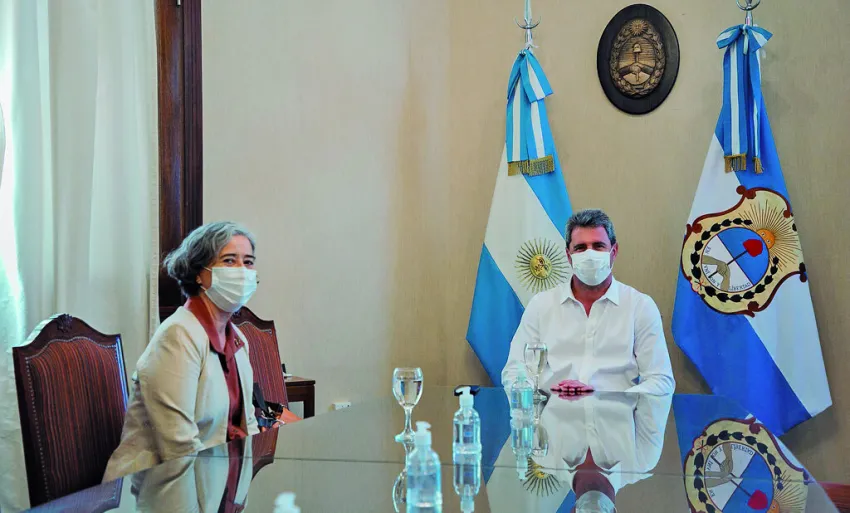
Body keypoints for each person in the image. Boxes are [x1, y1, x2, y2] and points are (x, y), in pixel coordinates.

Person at [104, 221, 261, 481]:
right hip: (159, 485)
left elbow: (248, 426)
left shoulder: (238, 340)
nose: (242, 271)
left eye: (248, 262)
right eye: (229, 261)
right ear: (199, 273)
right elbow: (179, 446)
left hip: (217, 480)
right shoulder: (177, 335)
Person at [501, 209, 675, 396]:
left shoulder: (640, 306)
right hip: (554, 410)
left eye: (598, 246)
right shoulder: (541, 306)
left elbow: (660, 380)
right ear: (569, 256)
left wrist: (619, 402)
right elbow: (515, 371)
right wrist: (532, 404)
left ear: (614, 251)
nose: (589, 254)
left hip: (616, 412)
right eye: (580, 248)